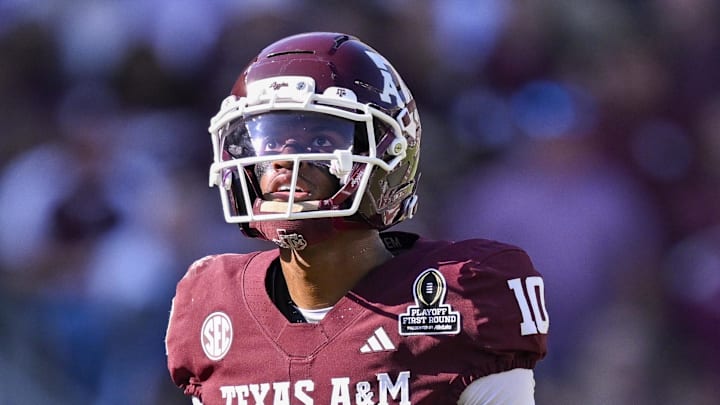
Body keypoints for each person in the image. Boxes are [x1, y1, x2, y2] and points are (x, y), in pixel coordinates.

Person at [165, 32, 549, 405]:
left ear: (389, 154)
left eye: (320, 141)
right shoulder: (215, 301)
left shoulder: (462, 295)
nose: (283, 159)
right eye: (270, 141)